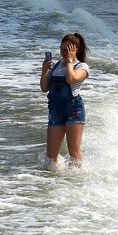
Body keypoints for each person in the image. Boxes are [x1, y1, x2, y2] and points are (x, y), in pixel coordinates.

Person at [39, 33, 90, 170]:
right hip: (55, 110)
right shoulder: (56, 67)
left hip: (73, 110)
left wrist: (70, 61)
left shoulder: (82, 67)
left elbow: (71, 79)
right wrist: (45, 70)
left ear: (76, 50)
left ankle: (75, 180)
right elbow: (44, 88)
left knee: (73, 151)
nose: (63, 53)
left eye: (67, 50)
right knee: (51, 155)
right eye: (62, 50)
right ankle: (54, 179)